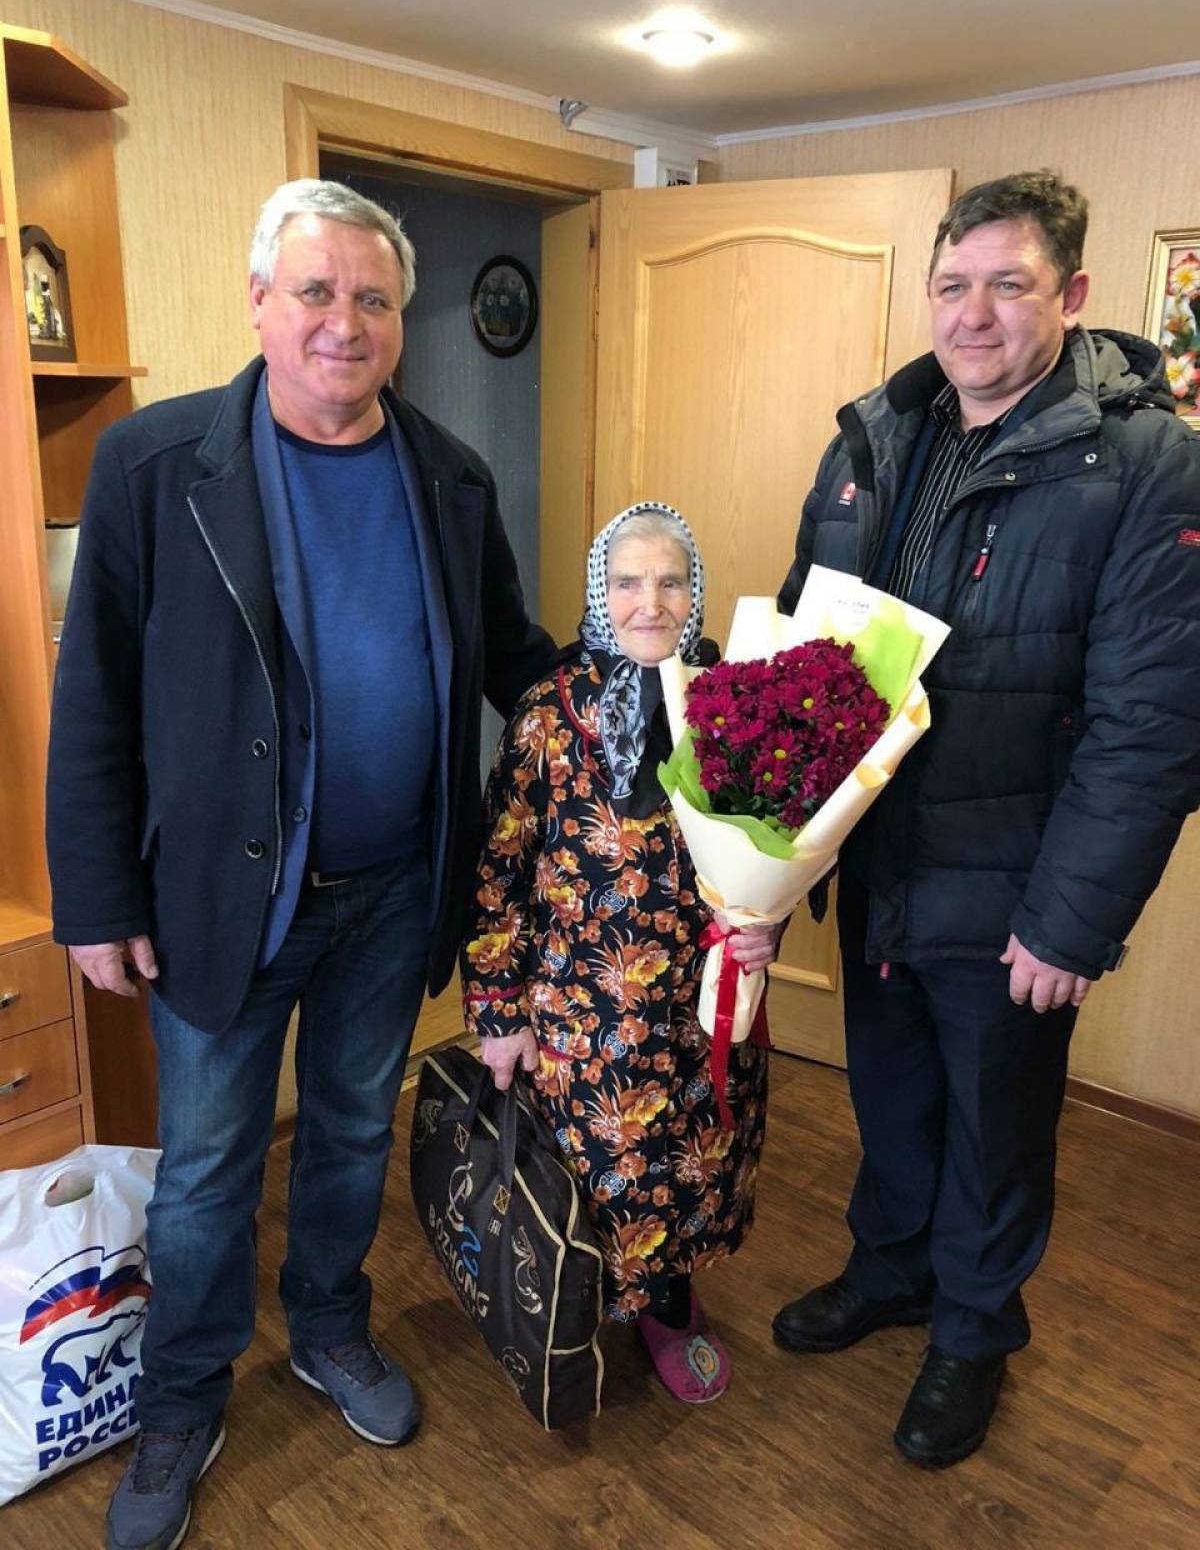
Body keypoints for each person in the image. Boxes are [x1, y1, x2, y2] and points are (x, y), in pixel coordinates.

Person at [45, 178, 555, 1550]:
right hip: (223, 898)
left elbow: (513, 655)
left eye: (373, 299)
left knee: (349, 1132)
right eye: (317, 292)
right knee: (208, 1166)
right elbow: (94, 699)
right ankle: (181, 1398)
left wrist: (644, 698)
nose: (345, 322)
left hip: (397, 891)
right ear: (260, 302)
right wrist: (94, 895)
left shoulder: (451, 475)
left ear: (398, 322)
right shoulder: (155, 466)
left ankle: (329, 1328)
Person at [774, 170, 1200, 1467]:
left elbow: (1154, 722)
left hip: (1013, 881)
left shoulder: (1145, 465)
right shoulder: (874, 436)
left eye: (1008, 285)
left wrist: (1070, 921)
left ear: (1071, 294)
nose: (973, 313)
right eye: (953, 284)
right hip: (880, 853)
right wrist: (766, 854)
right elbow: (804, 647)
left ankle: (972, 1329)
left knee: (995, 1128)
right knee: (893, 1094)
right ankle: (892, 1269)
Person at [460, 502, 778, 1403]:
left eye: (671, 582)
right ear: (602, 593)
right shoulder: (549, 714)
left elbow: (776, 842)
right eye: (629, 582)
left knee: (694, 1161)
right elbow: (499, 871)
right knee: (592, 1173)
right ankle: (566, 1305)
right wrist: (497, 1009)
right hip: (583, 1009)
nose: (652, 602)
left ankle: (670, 1305)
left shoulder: (732, 703)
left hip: (706, 997)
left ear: (695, 592)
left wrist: (768, 924)